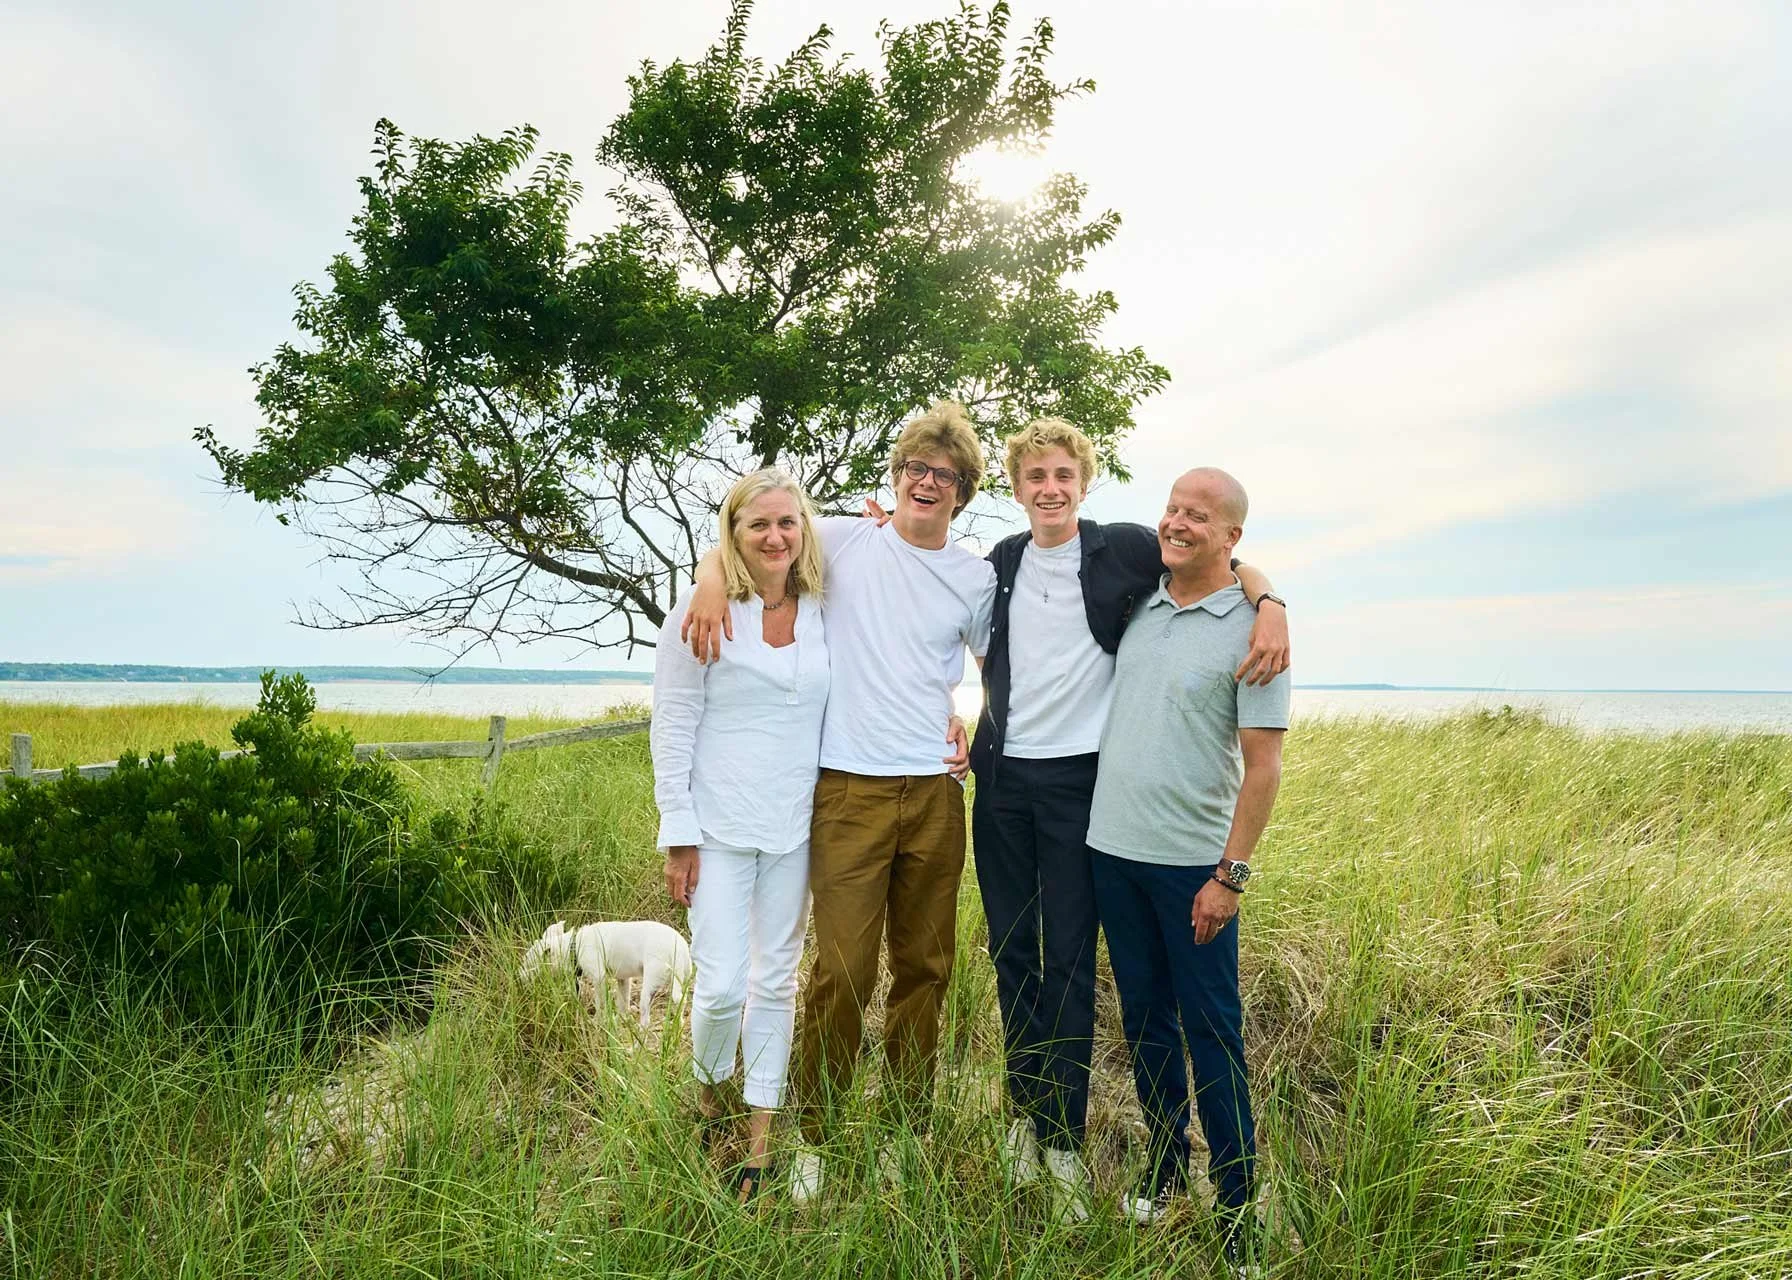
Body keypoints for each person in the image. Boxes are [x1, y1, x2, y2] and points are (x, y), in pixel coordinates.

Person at [967, 420, 1289, 1224]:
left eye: (1064, 474)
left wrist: (1272, 600)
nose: (1049, 487)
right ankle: (1091, 1144)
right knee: (1073, 985)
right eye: (1034, 475)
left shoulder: (1172, 580)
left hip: (1138, 828)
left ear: (1085, 481)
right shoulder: (1034, 573)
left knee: (1150, 1002)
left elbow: (1226, 563)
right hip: (1054, 814)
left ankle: (1203, 1193)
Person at [683, 401, 994, 1203]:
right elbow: (754, 528)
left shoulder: (976, 576)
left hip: (934, 793)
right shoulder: (847, 540)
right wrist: (711, 580)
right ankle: (816, 1133)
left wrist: (973, 730)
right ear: (894, 480)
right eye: (914, 469)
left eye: (944, 475)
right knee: (842, 971)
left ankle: (901, 1130)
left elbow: (1006, 671)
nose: (927, 482)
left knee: (925, 968)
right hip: (847, 791)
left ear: (962, 490)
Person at [1084, 467, 1289, 1275]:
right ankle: (1166, 1168)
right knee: (1145, 1026)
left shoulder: (1253, 628)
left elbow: (1263, 767)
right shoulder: (1142, 601)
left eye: (1198, 516)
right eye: (1173, 509)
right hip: (1112, 854)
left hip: (1190, 870)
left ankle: (1238, 1207)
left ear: (1232, 538)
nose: (1177, 523)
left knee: (1214, 1035)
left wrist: (1229, 877)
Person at [652, 468, 829, 1205]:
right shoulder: (701, 614)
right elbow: (673, 722)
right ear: (733, 534)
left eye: (787, 523)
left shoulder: (826, 607)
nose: (775, 536)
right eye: (758, 525)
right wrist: (678, 834)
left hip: (797, 829)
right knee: (721, 986)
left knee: (776, 983)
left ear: (804, 530)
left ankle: (758, 1138)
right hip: (717, 830)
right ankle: (708, 1104)